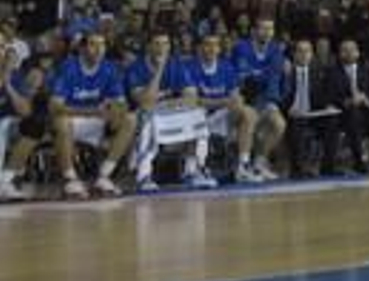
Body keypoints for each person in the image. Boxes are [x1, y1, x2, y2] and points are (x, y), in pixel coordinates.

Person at [50, 32, 135, 198]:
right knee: (61, 122)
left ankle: (104, 176)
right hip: (73, 120)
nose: (98, 49)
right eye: (92, 44)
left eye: (102, 45)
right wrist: (91, 112)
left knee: (130, 119)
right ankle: (70, 179)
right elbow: (54, 106)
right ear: (82, 49)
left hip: (99, 120)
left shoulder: (110, 68)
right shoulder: (69, 67)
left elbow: (122, 102)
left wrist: (116, 111)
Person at [126, 32, 214, 191]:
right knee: (148, 119)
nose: (162, 48)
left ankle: (193, 170)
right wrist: (159, 69)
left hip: (168, 114)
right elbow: (145, 102)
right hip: (144, 117)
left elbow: (191, 96)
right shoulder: (136, 68)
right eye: (157, 43)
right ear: (148, 47)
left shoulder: (176, 64)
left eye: (165, 44)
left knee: (198, 114)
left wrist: (166, 103)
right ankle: (143, 175)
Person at [188, 33, 261, 183]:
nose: (211, 49)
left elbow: (235, 97)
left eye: (215, 45)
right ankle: (193, 167)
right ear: (200, 48)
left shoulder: (226, 67)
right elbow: (193, 101)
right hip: (198, 118)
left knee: (249, 113)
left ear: (219, 49)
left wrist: (232, 103)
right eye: (207, 44)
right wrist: (223, 101)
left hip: (222, 116)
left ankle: (243, 165)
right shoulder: (190, 67)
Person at [230, 17, 286, 181]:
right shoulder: (241, 47)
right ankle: (242, 166)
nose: (267, 33)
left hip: (264, 99)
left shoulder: (276, 50)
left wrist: (271, 102)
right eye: (263, 28)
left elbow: (273, 78)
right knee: (250, 115)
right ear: (254, 31)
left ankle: (259, 163)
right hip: (240, 99)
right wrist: (261, 76)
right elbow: (244, 79)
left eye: (270, 29)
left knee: (279, 123)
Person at [281, 39, 337, 177]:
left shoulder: (320, 73)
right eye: (300, 51)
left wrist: (328, 106)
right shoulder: (287, 73)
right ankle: (298, 169)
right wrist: (288, 109)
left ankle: (327, 167)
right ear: (294, 54)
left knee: (332, 122)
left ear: (312, 54)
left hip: (313, 114)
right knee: (297, 124)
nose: (304, 54)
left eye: (307, 51)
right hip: (291, 114)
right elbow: (280, 97)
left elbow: (324, 95)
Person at [0, 48, 48, 201]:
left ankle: (5, 182)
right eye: (7, 58)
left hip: (9, 124)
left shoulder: (17, 78)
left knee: (34, 127)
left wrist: (8, 86)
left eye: (13, 60)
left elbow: (26, 111)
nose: (10, 62)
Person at [327, 38, 369, 175]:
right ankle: (358, 161)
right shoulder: (332, 72)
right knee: (352, 115)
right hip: (343, 113)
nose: (349, 53)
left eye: (352, 50)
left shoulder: (368, 70)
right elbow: (330, 96)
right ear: (339, 54)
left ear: (358, 53)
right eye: (345, 50)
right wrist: (349, 101)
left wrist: (365, 99)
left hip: (368, 112)